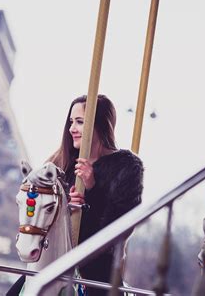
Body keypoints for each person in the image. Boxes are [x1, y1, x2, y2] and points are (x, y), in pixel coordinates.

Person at [48, 94, 143, 296]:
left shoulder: (127, 166)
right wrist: (64, 207)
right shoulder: (62, 163)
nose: (72, 128)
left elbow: (119, 229)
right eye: (71, 122)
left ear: (100, 125)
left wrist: (92, 190)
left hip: (96, 271)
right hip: (57, 263)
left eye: (80, 122)